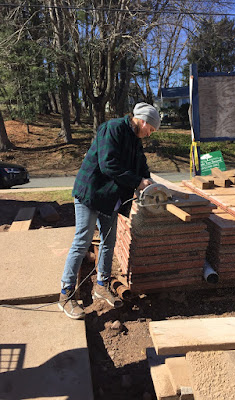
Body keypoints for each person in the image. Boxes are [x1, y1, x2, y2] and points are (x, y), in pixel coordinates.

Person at [58, 102, 161, 319]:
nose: (149, 134)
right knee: (82, 241)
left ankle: (101, 285)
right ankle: (66, 294)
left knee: (109, 241)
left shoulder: (135, 139)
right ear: (143, 121)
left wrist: (149, 181)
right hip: (91, 192)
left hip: (110, 198)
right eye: (150, 129)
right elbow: (108, 165)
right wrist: (137, 181)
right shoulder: (112, 128)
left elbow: (140, 163)